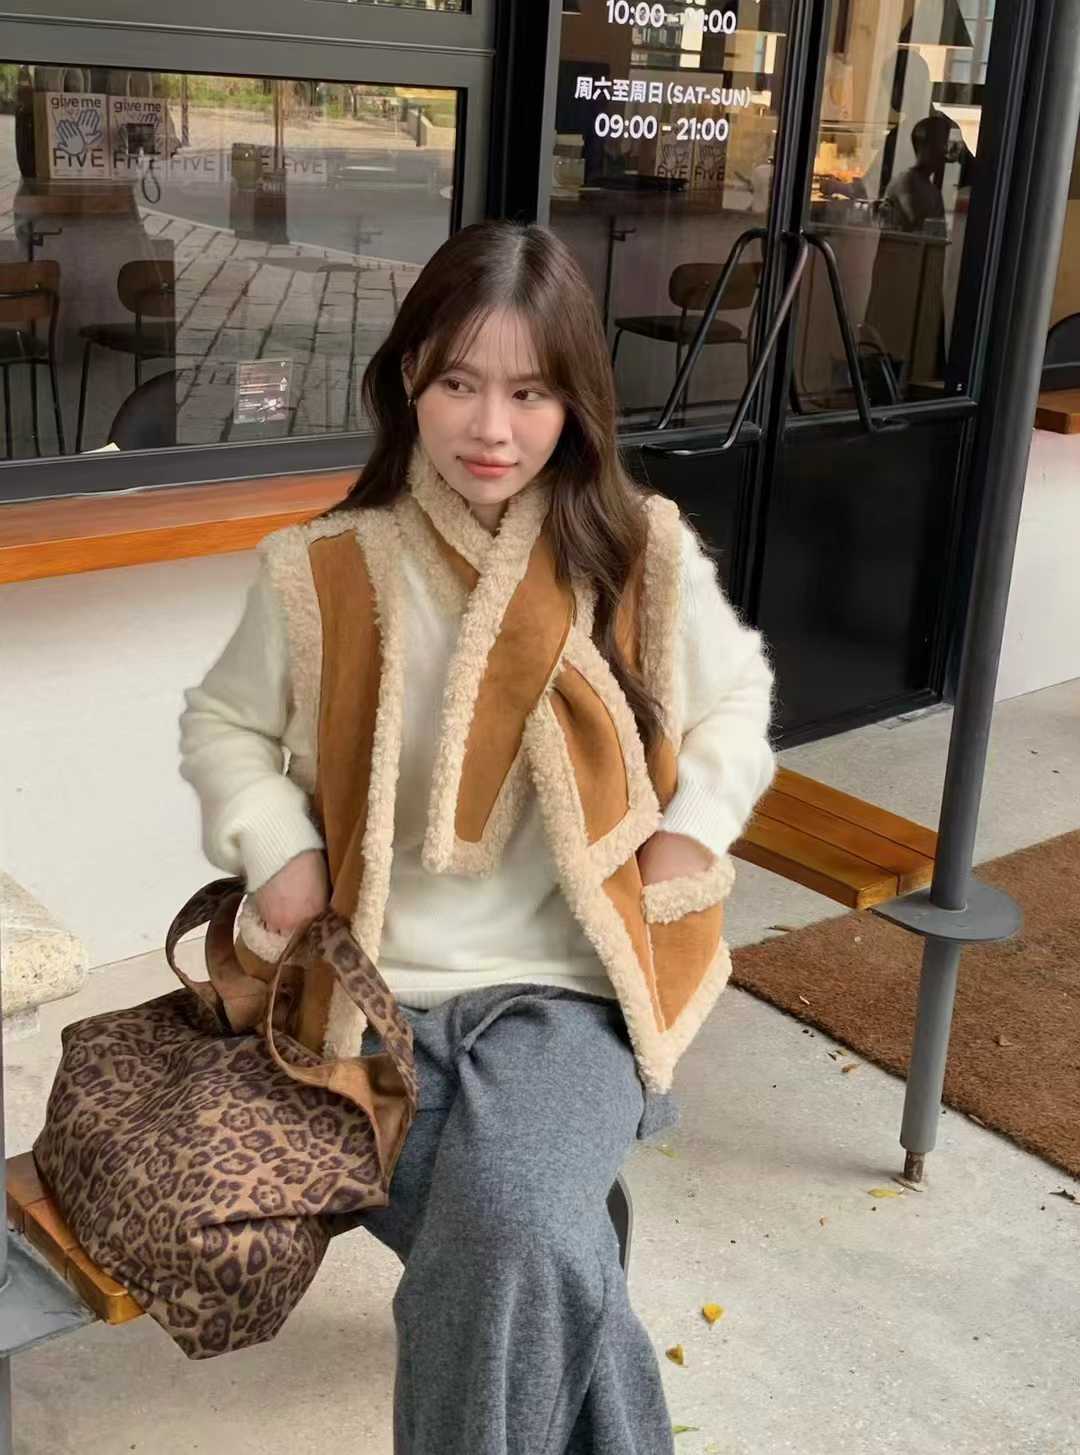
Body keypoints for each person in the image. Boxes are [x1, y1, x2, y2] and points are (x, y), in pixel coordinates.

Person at [179, 221, 774, 1454]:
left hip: (568, 995)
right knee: (541, 1247)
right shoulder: (323, 570)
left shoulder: (638, 554)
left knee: (511, 1232)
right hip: (367, 1001)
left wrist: (687, 837)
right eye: (458, 382)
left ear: (575, 403)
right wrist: (276, 843)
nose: (490, 428)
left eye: (529, 392)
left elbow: (737, 701)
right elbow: (224, 723)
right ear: (410, 379)